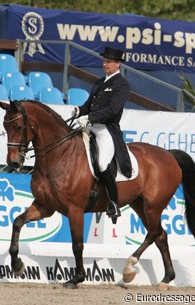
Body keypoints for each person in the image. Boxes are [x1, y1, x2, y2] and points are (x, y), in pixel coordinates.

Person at [74, 46, 132, 219]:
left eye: (108, 61)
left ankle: (113, 203)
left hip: (106, 130)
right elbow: (88, 105)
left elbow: (113, 110)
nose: (105, 64)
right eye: (104, 61)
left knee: (102, 163)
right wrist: (78, 111)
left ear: (118, 64)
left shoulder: (122, 84)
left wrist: (90, 118)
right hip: (90, 126)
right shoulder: (99, 82)